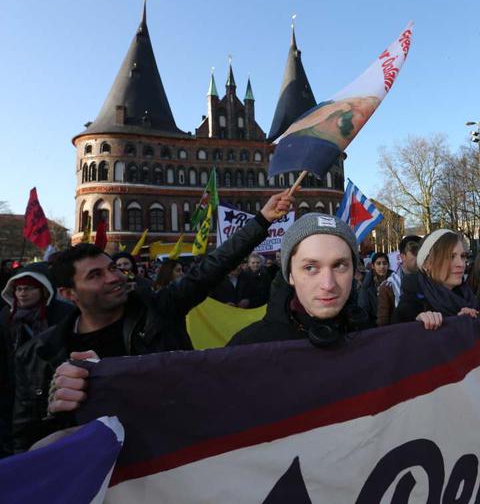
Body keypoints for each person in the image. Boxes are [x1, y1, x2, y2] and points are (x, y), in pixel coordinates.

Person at [13, 190, 295, 453]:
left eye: (112, 268)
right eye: (95, 275)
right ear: (67, 293)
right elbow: (23, 436)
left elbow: (212, 267)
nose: (113, 277)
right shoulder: (39, 354)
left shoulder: (160, 311)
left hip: (170, 454)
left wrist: (262, 220)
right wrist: (54, 413)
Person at [228, 213, 371, 346]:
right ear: (290, 275)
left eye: (339, 265)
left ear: (353, 270)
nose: (328, 285)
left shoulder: (373, 339)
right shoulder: (248, 348)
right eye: (310, 268)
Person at [0, 263, 74, 457]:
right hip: (16, 389)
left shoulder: (63, 314)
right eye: (18, 289)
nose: (22, 294)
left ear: (43, 289)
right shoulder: (5, 317)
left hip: (53, 387)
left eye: (28, 288)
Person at [393, 229, 479, 329]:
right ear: (426, 264)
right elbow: (395, 334)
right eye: (450, 256)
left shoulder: (469, 297)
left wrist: (469, 322)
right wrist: (417, 322)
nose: (461, 264)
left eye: (463, 256)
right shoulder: (412, 301)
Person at [376, 235, 422, 326]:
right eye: (415, 253)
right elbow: (383, 324)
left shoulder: (430, 279)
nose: (420, 257)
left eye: (422, 253)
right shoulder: (387, 286)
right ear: (402, 256)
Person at [358, 252, 392, 325]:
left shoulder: (395, 280)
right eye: (378, 263)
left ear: (388, 265)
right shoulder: (367, 286)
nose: (382, 266)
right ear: (373, 266)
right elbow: (363, 310)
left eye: (385, 263)